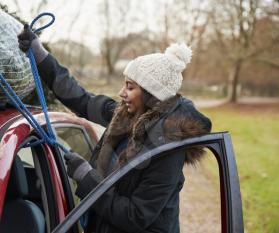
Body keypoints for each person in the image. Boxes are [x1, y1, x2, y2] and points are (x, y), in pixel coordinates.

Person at [18, 25, 212, 233]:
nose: (121, 92)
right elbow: (80, 98)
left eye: (130, 87)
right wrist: (40, 55)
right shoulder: (124, 116)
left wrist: (85, 177)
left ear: (151, 94)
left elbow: (135, 216)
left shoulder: (166, 150)